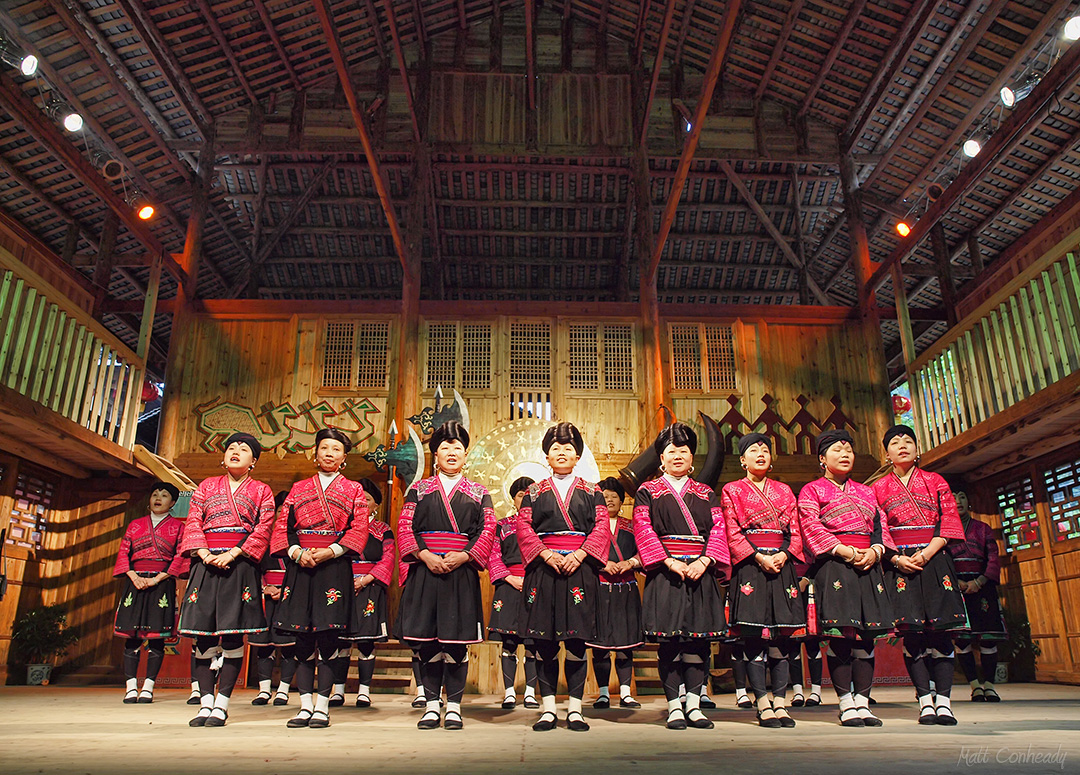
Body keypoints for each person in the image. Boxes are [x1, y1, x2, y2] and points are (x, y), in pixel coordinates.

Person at [397, 420, 496, 730]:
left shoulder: (480, 492)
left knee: (456, 643)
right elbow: (404, 526)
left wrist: (465, 555)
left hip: (460, 572)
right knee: (426, 642)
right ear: (435, 455)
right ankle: (430, 705)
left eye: (457, 448)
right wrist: (424, 554)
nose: (451, 453)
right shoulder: (418, 489)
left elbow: (488, 528)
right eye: (444, 448)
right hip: (425, 569)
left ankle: (453, 706)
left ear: (465, 455)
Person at [633, 422, 731, 730]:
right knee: (670, 643)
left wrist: (706, 560)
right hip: (667, 574)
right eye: (671, 451)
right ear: (661, 459)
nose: (678, 456)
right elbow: (643, 529)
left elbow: (719, 529)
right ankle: (674, 706)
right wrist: (667, 561)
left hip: (700, 573)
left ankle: (693, 704)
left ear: (692, 458)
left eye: (684, 451)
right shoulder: (647, 491)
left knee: (698, 643)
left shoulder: (705, 493)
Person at [273, 428, 369, 729]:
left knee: (328, 636)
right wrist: (296, 552)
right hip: (301, 565)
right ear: (315, 453)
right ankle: (304, 706)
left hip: (334, 566)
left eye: (336, 449)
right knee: (302, 638)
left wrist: (331, 551)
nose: (329, 453)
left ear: (344, 457)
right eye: (324, 447)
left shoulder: (353, 490)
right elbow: (283, 527)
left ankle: (323, 706)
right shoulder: (299, 488)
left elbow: (359, 529)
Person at [517, 421, 609, 732]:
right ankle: (547, 709)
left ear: (577, 455)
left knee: (576, 642)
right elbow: (524, 529)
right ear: (546, 455)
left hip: (579, 571)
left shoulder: (592, 491)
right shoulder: (533, 492)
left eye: (568, 448)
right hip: (544, 570)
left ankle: (574, 708)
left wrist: (581, 554)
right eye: (555, 448)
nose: (561, 453)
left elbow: (600, 527)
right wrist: (545, 554)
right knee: (544, 643)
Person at [872, 424, 968, 725]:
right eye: (895, 442)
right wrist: (897, 558)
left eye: (908, 441)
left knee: (941, 633)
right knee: (911, 633)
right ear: (885, 454)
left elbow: (949, 522)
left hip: (935, 560)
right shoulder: (877, 488)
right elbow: (880, 530)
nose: (903, 446)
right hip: (899, 562)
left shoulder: (935, 480)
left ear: (918, 449)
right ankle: (925, 701)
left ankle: (945, 701)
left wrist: (926, 553)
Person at [797, 429, 894, 727]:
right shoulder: (812, 490)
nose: (845, 454)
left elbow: (880, 526)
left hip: (868, 565)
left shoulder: (867, 492)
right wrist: (845, 551)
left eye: (849, 450)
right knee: (841, 636)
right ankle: (845, 703)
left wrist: (876, 550)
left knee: (867, 638)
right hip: (836, 565)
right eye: (838, 451)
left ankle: (863, 702)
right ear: (822, 459)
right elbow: (810, 525)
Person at [179, 433, 276, 727]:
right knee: (203, 637)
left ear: (253, 461)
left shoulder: (262, 490)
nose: (236, 452)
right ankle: (205, 704)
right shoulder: (206, 486)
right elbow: (193, 519)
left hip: (240, 565)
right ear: (223, 457)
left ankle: (222, 705)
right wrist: (205, 553)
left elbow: (265, 525)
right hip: (206, 563)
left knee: (233, 635)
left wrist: (235, 552)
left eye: (244, 449)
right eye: (231, 448)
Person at [722, 433, 804, 728]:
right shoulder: (732, 490)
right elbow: (732, 530)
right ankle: (762, 703)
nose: (761, 454)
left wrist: (785, 554)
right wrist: (759, 557)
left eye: (765, 450)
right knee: (754, 637)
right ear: (742, 460)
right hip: (751, 567)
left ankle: (780, 702)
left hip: (781, 565)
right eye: (753, 450)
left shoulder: (784, 490)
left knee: (781, 637)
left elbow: (796, 529)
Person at [113, 481, 188, 704]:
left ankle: (148, 687)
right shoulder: (135, 525)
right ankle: (130, 687)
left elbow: (180, 556)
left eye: (164, 495)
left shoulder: (178, 527)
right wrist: (134, 576)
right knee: (131, 637)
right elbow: (124, 552)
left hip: (161, 583)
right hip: (134, 582)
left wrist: (157, 578)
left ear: (173, 502)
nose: (158, 498)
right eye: (155, 494)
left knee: (157, 637)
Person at [588, 477, 643, 710]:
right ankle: (602, 694)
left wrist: (630, 562)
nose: (610, 500)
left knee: (625, 644)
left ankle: (625, 693)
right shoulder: (590, 527)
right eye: (605, 496)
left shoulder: (632, 526)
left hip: (626, 589)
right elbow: (583, 552)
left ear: (622, 501)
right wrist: (602, 565)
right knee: (600, 646)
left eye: (614, 496)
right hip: (598, 589)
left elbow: (647, 552)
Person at [947, 487, 1006, 702]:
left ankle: (989, 686)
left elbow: (993, 557)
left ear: (968, 501)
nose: (958, 500)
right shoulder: (945, 530)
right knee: (962, 640)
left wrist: (979, 581)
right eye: (953, 497)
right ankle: (975, 686)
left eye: (962, 495)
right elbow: (943, 560)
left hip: (983, 587)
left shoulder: (983, 528)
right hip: (957, 587)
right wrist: (958, 582)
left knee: (988, 638)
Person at [341, 477, 395, 708]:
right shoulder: (342, 527)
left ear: (376, 505)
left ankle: (364, 691)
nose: (362, 502)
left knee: (365, 641)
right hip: (341, 587)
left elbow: (388, 558)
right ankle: (337, 690)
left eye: (368, 499)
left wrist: (365, 580)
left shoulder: (383, 530)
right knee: (338, 642)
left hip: (369, 587)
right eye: (358, 498)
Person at [488, 476, 540, 710]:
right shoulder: (502, 525)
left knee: (533, 642)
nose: (524, 499)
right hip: (507, 585)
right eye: (520, 495)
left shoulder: (542, 526)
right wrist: (509, 578)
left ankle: (530, 692)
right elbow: (493, 555)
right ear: (513, 498)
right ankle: (509, 692)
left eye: (528, 495)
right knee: (508, 642)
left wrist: (530, 579)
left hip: (535, 584)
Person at [249, 491, 298, 707]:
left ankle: (284, 691)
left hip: (291, 594)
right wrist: (264, 588)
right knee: (264, 645)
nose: (282, 515)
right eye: (279, 511)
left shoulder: (298, 539)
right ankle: (264, 690)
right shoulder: (264, 539)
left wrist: (285, 588)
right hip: (266, 594)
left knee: (288, 645)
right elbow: (254, 569)